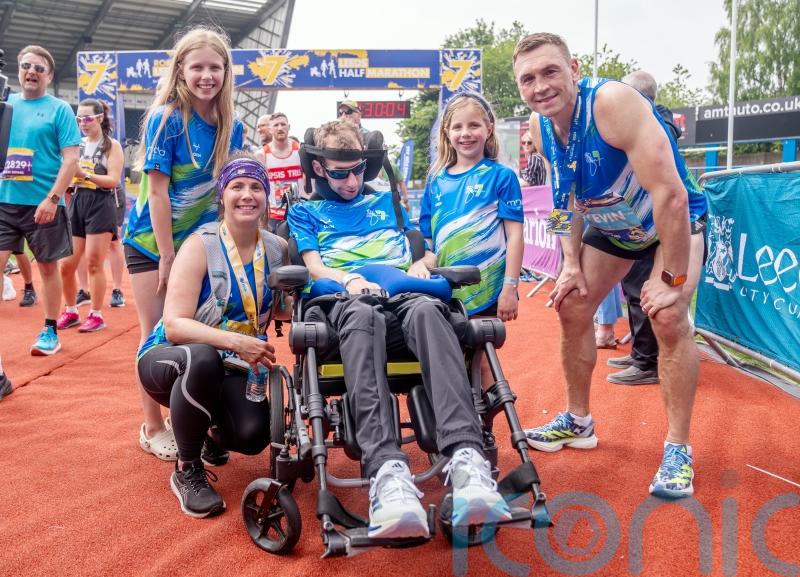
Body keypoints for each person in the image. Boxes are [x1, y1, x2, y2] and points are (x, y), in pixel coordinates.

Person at [288, 120, 510, 539]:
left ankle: (466, 459)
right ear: (319, 169)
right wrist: (350, 281)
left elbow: (417, 251)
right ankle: (387, 473)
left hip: (403, 296)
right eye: (339, 173)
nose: (351, 180)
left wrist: (422, 265)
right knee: (362, 316)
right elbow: (315, 267)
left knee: (431, 311)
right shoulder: (305, 210)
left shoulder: (388, 202)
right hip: (347, 301)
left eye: (357, 170)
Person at [513, 33, 707, 499]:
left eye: (550, 71)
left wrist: (673, 278)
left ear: (574, 68)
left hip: (668, 224)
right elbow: (565, 201)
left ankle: (679, 448)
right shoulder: (540, 128)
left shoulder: (613, 103)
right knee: (572, 305)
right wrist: (568, 263)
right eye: (528, 78)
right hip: (613, 227)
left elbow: (672, 196)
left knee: (667, 316)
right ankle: (578, 421)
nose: (541, 86)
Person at [137, 153, 289, 518]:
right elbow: (175, 324)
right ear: (223, 196)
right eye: (237, 186)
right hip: (170, 356)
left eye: (256, 187)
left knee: (253, 436)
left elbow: (281, 307)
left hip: (233, 366)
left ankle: (204, 430)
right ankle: (187, 470)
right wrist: (237, 341)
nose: (247, 195)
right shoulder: (199, 245)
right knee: (202, 357)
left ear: (267, 196)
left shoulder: (277, 248)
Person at [123, 27, 244, 462]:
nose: (207, 75)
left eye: (215, 67)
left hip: (200, 245)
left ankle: (190, 419)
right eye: (197, 67)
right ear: (181, 70)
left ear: (226, 72)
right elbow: (156, 192)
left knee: (202, 331)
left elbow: (228, 189)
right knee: (155, 331)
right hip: (151, 244)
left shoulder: (234, 124)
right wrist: (168, 256)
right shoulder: (167, 118)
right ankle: (153, 427)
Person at [419, 92, 524, 391]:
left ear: (488, 129)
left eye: (474, 126)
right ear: (446, 133)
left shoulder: (501, 176)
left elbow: (515, 235)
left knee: (481, 353)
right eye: (457, 127)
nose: (466, 134)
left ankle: (486, 420)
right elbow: (428, 241)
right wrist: (423, 264)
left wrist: (510, 287)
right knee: (448, 354)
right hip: (444, 289)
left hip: (487, 288)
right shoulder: (435, 180)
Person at [0, 45, 81, 355]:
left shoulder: (59, 109)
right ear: (19, 71)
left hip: (43, 204)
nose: (31, 71)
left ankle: (50, 330)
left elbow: (71, 159)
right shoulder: (5, 104)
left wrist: (52, 199)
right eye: (26, 66)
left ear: (49, 75)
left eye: (38, 68)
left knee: (48, 269)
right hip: (4, 201)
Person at [606, 70, 684, 386]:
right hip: (632, 221)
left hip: (657, 223)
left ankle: (648, 362)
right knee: (632, 289)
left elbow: (673, 194)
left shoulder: (653, 126)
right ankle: (641, 353)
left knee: (651, 294)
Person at [57, 99, 124, 333]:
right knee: (66, 265)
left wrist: (84, 175)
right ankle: (71, 310)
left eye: (87, 118)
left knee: (95, 263)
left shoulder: (111, 146)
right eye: (79, 119)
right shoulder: (77, 145)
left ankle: (96, 314)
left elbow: (113, 181)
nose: (83, 123)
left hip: (101, 203)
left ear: (100, 118)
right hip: (77, 201)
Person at [255, 112, 303, 232]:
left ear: (289, 127)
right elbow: (258, 187)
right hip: (273, 215)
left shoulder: (300, 151)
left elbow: (309, 185)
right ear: (270, 129)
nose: (280, 128)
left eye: (283, 124)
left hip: (298, 211)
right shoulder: (261, 155)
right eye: (276, 125)